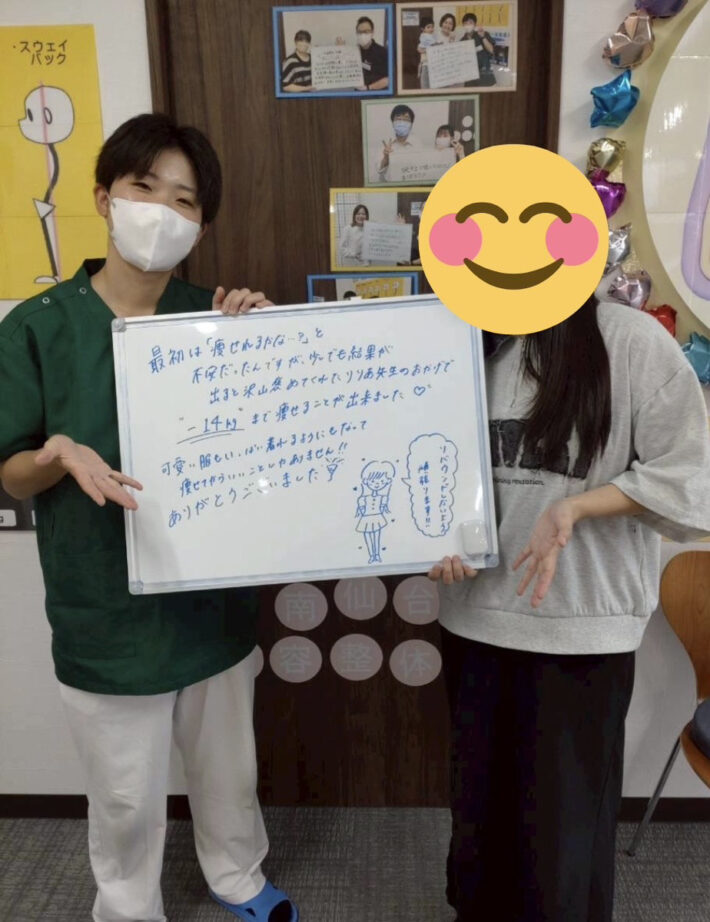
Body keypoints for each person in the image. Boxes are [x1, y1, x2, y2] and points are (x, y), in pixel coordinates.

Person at [0, 113, 298, 922]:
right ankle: (127, 906)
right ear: (104, 197)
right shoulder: (38, 328)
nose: (162, 211)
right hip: (104, 606)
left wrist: (272, 345)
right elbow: (11, 472)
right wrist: (58, 452)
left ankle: (237, 875)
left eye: (186, 200)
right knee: (125, 791)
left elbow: (277, 450)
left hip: (209, 603)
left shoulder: (217, 319)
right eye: (144, 187)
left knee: (228, 771)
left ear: (202, 224)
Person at [428, 299, 710, 922]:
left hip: (581, 633)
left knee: (561, 843)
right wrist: (431, 533)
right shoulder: (455, 337)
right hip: (475, 621)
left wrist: (577, 507)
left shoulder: (630, 340)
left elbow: (690, 478)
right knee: (480, 825)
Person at [377, 104, 420, 182]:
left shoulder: (418, 145)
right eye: (398, 119)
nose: (402, 122)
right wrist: (386, 158)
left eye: (406, 119)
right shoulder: (385, 144)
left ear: (411, 124)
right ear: (393, 122)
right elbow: (379, 171)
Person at [460, 12, 497, 87]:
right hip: (470, 80)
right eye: (465, 23)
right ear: (463, 25)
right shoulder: (462, 41)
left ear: (475, 24)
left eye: (470, 23)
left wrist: (483, 37)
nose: (468, 25)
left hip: (486, 77)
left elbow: (491, 50)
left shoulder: (483, 34)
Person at [355, 15, 389, 90]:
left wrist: (369, 88)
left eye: (366, 31)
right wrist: (341, 50)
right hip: (358, 93)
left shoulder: (383, 52)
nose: (362, 35)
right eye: (360, 32)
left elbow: (388, 79)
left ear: (372, 32)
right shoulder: (354, 52)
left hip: (377, 94)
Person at [417, 16, 436, 89]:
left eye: (432, 27)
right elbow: (420, 49)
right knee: (425, 85)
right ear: (423, 29)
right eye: (428, 27)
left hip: (432, 65)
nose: (431, 29)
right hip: (425, 65)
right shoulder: (424, 36)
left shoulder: (432, 36)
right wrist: (429, 49)